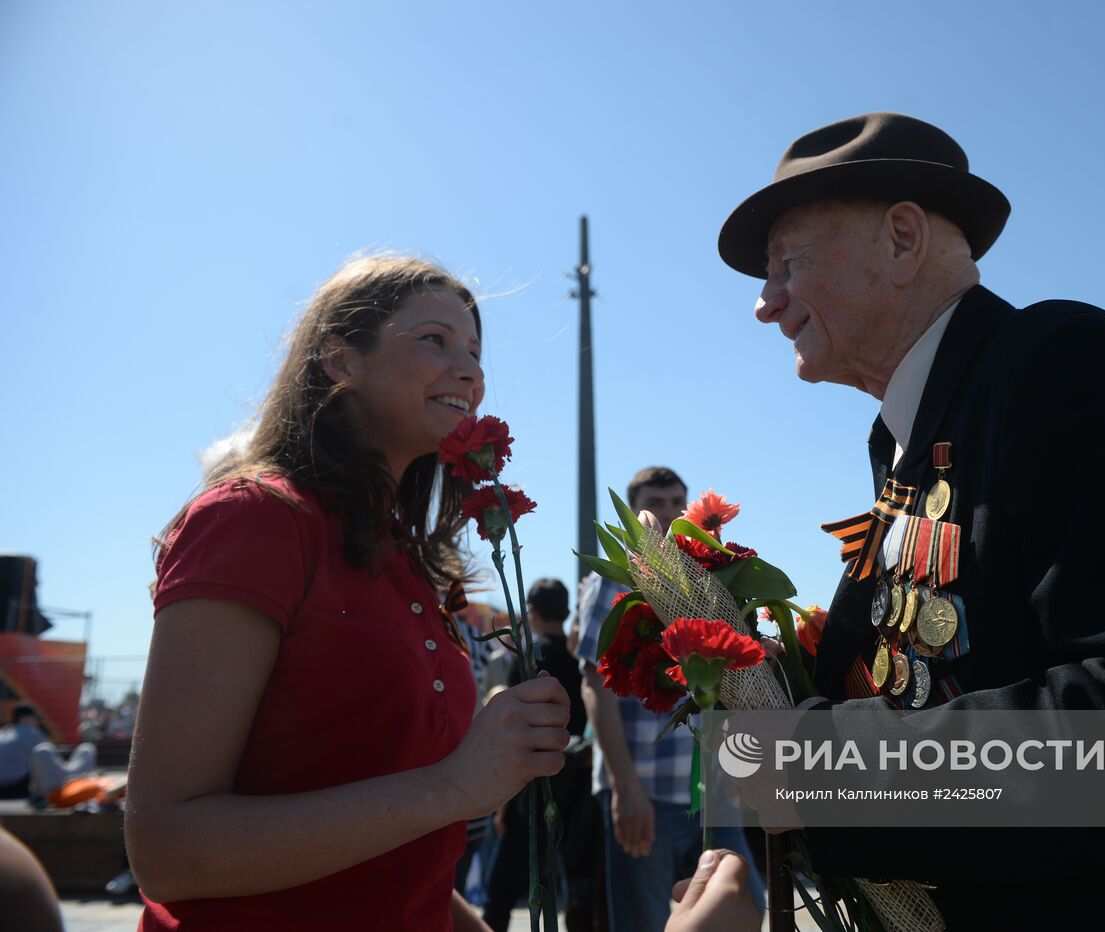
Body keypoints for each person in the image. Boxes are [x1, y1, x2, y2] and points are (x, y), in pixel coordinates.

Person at [717, 112, 1105, 929]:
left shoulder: (1063, 363)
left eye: (787, 262)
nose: (767, 304)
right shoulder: (916, 435)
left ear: (903, 239)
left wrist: (830, 767)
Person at [124, 254, 572, 931]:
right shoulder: (252, 519)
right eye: (434, 340)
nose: (472, 371)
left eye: (476, 352)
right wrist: (454, 787)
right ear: (340, 361)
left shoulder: (411, 562)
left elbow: (393, 860)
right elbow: (165, 851)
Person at [576, 466, 763, 932]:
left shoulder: (699, 575)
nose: (667, 513)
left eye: (676, 503)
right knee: (643, 921)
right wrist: (623, 787)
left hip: (711, 790)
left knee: (748, 907)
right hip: (646, 789)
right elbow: (594, 685)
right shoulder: (615, 583)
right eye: (654, 503)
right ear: (633, 509)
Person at [483, 578, 597, 932]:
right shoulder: (580, 656)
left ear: (531, 611)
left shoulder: (529, 656)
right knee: (577, 888)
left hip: (532, 783)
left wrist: (503, 802)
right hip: (578, 784)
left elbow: (517, 735)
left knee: (501, 890)